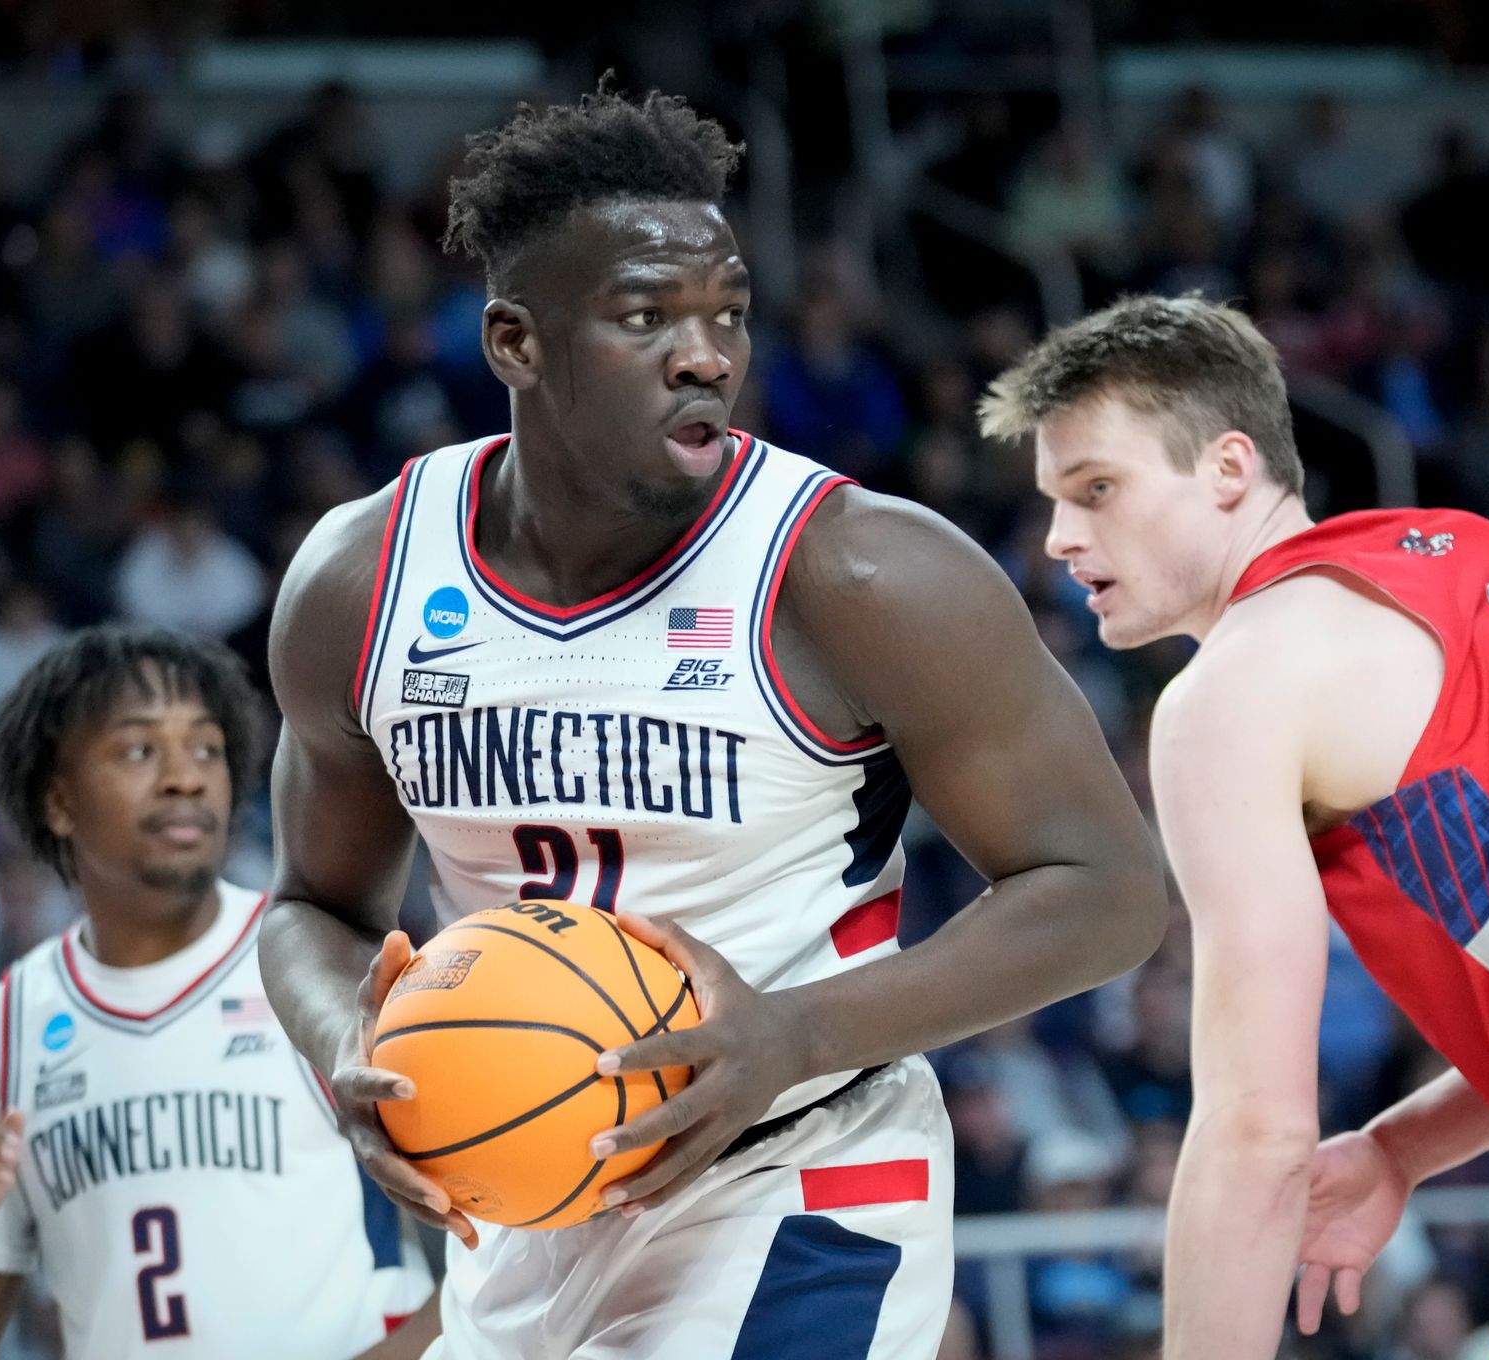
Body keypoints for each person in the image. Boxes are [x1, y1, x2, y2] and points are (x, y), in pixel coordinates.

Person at [261, 87, 1168, 1360]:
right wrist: (353, 1044)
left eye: (726, 312)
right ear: (516, 341)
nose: (707, 354)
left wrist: (798, 1034)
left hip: (796, 1175)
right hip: (520, 1189)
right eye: (645, 317)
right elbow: (313, 904)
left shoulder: (859, 575)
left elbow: (1110, 890)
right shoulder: (362, 581)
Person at [981, 292, 1489, 1359]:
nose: (1060, 536)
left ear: (1230, 469)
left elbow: (1256, 1128)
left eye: (1098, 488)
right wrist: (1403, 1148)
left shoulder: (1234, 690)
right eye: (1052, 499)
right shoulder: (1465, 552)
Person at [0, 626, 440, 1359]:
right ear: (58, 800)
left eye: (206, 748)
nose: (187, 776)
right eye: (140, 750)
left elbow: (499, 1243)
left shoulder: (328, 964)